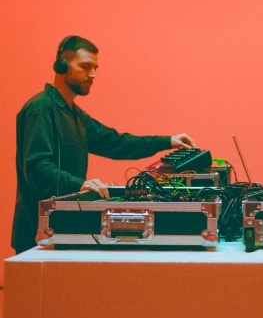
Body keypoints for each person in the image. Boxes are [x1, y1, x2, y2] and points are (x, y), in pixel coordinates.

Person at [12, 35, 196, 254]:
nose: (92, 74)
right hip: (36, 236)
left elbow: (116, 143)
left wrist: (168, 141)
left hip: (63, 228)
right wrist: (80, 184)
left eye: (95, 68)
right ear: (61, 65)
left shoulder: (76, 115)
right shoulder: (41, 109)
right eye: (85, 66)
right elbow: (36, 167)